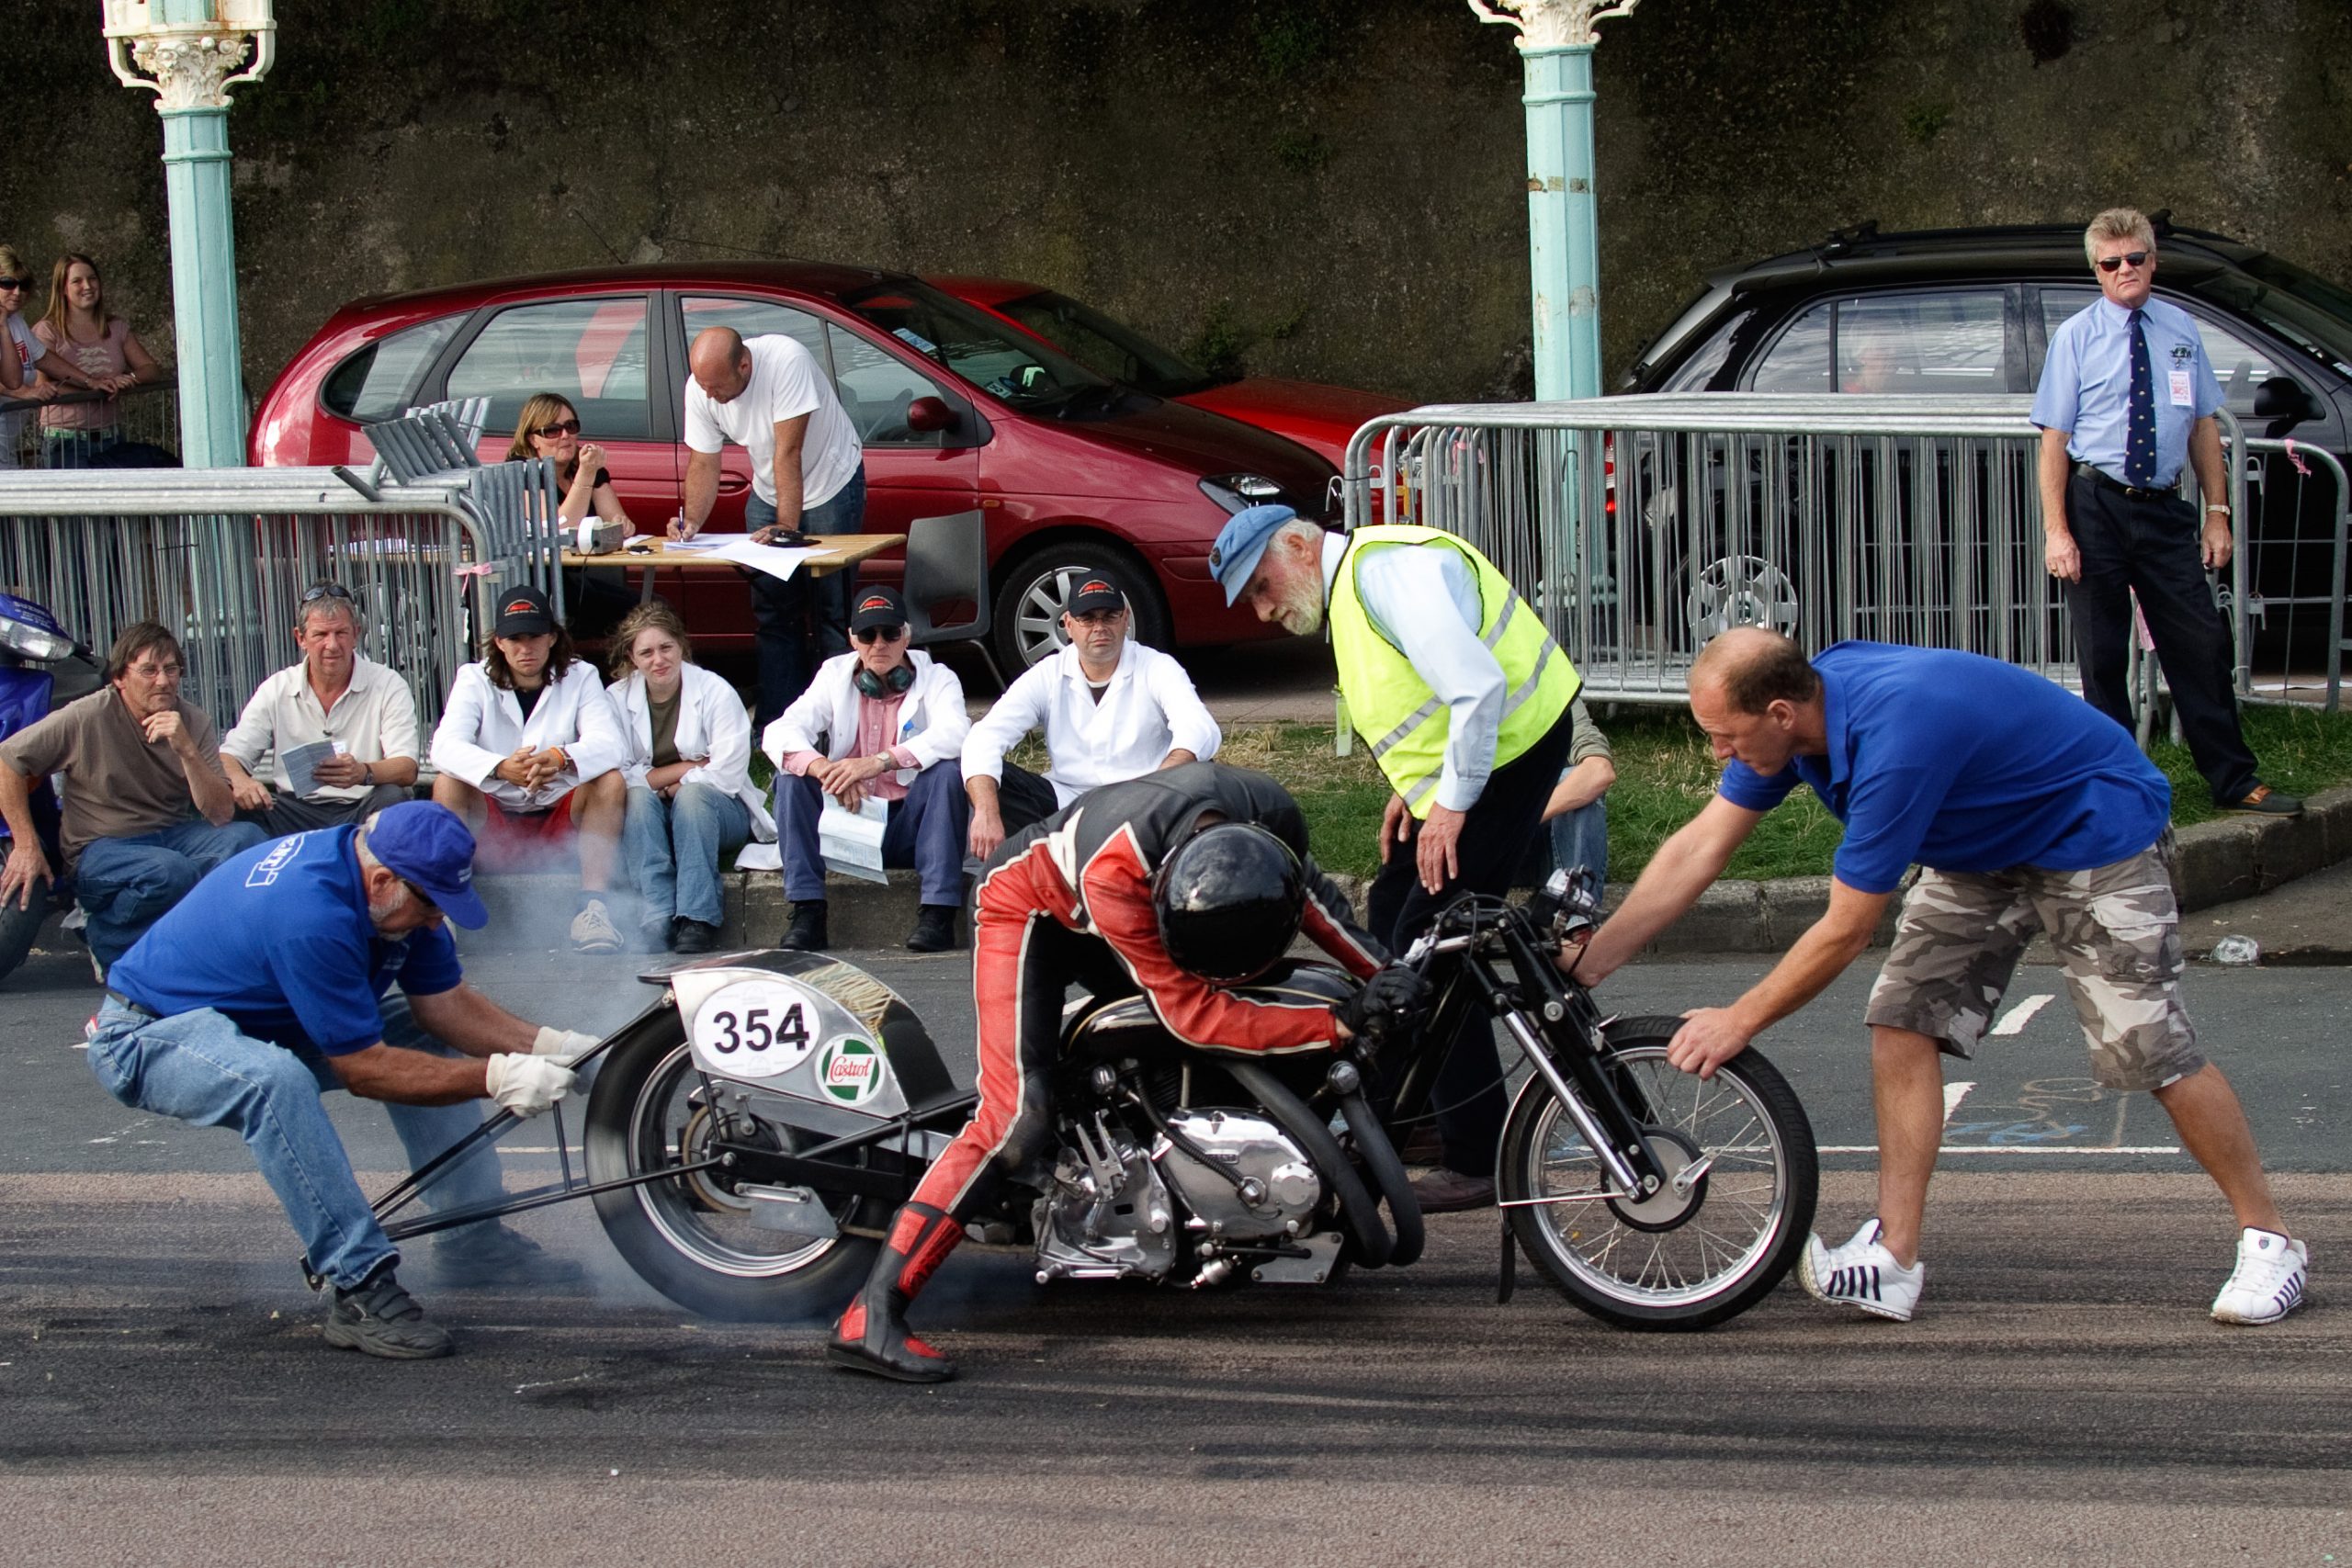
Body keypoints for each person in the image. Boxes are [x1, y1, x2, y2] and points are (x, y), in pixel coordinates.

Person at [1575, 628, 2306, 1326]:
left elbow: (1846, 928)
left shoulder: (1895, 744)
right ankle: (1894, 1257)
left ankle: (2271, 1241)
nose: (1718, 751)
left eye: (1723, 734)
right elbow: (1702, 845)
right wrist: (1595, 958)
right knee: (1902, 1019)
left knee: (2149, 1045)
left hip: (2090, 826)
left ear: (1780, 711)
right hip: (1979, 840)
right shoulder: (1795, 724)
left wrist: (1740, 1018)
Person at [829, 761, 1392, 1382]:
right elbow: (1194, 1017)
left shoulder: (1266, 811)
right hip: (1030, 908)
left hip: (1121, 895)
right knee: (1017, 1116)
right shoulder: (1116, 870)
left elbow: (1305, 893)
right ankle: (872, 1311)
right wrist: (1334, 1025)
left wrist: (1381, 972)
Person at [84, 801, 602, 1359]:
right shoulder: (311, 914)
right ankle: (358, 1286)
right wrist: (497, 1076)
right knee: (272, 1083)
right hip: (147, 1035)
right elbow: (364, 1069)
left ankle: (472, 1243)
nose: (436, 922)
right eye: (431, 908)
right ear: (382, 882)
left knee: (412, 1032)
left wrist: (559, 1048)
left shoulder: (401, 881)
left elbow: (444, 1007)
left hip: (255, 1022)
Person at [1216, 503, 1580, 1213]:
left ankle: (1472, 1151)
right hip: (1481, 762)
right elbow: (1425, 704)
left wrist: (1450, 802)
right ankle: (1437, 1116)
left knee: (1428, 940)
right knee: (1391, 911)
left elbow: (1478, 689)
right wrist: (1417, 791)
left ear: (1295, 544)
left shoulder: (1386, 575)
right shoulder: (1353, 586)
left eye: (1261, 586)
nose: (1262, 612)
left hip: (1509, 752)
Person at [2032, 206, 2300, 818]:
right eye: (2111, 263)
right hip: (2095, 501)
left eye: (2135, 258)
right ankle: (2119, 787)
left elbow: (2204, 424)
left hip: (2163, 506)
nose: (2125, 270)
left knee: (2200, 641)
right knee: (2102, 656)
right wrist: (2057, 531)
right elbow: (2053, 439)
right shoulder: (2075, 337)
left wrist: (2217, 511)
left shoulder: (2179, 328)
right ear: (2096, 271)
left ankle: (2233, 778)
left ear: (2153, 261)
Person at [0, 622, 265, 975]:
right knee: (169, 872)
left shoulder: (192, 720)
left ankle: (209, 950)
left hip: (172, 837)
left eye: (171, 669)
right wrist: (26, 843)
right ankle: (104, 936)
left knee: (250, 844)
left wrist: (187, 750)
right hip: (102, 847)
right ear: (120, 678)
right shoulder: (88, 714)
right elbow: (7, 761)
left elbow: (219, 814)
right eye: (149, 670)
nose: (163, 680)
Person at [668, 327, 867, 728]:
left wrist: (785, 529)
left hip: (830, 480)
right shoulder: (701, 387)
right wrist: (691, 522)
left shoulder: (786, 360)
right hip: (770, 487)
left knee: (832, 611)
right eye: (703, 385)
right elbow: (704, 462)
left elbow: (788, 451)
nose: (709, 395)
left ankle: (837, 725)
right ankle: (777, 723)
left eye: (717, 386)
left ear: (745, 365)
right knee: (774, 612)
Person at [763, 587, 971, 954]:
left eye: (890, 633)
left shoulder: (938, 677)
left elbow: (956, 733)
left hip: (912, 825)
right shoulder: (833, 674)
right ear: (852, 640)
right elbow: (779, 732)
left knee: (946, 773)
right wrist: (824, 769)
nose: (879, 644)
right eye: (867, 635)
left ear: (906, 636)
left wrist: (878, 761)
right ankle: (808, 912)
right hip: (851, 819)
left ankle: (938, 914)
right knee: (791, 780)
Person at [429, 584, 629, 953]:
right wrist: (500, 767)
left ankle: (593, 909)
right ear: (500, 643)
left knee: (610, 782)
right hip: (494, 826)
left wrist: (559, 758)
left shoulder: (581, 675)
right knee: (447, 783)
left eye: (534, 636)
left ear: (552, 637)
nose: (526, 648)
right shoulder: (473, 678)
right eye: (515, 638)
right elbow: (443, 747)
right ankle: (442, 912)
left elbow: (611, 745)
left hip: (559, 817)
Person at [961, 577, 1221, 860]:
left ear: (1125, 618)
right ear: (1068, 625)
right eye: (1087, 618)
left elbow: (1199, 727)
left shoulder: (1156, 666)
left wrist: (1161, 780)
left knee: (1201, 772)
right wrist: (987, 811)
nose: (1100, 628)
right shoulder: (1047, 673)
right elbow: (984, 737)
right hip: (1067, 803)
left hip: (1148, 802)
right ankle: (1044, 865)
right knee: (986, 779)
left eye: (1109, 616)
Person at [606, 602, 774, 954]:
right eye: (646, 652)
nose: (658, 660)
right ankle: (657, 913)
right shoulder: (616, 699)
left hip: (718, 814)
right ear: (632, 658)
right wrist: (683, 769)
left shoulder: (715, 691)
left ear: (681, 646)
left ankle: (698, 917)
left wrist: (680, 783)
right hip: (651, 813)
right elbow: (617, 774)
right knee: (635, 798)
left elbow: (727, 774)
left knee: (694, 796)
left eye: (666, 647)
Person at [220, 581, 419, 835]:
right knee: (241, 803)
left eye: (341, 633)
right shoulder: (277, 687)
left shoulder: (388, 684)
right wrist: (241, 781)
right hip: (294, 809)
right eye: (321, 635)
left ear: (356, 634)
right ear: (300, 638)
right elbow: (229, 756)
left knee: (393, 797)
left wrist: (363, 772)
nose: (332, 645)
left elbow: (407, 767)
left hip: (363, 805)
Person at [32, 252, 163, 468]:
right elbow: (42, 386)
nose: (87, 285)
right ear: (63, 289)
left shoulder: (116, 327)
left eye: (92, 278)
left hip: (110, 436)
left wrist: (127, 378)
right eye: (77, 281)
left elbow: (151, 368)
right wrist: (96, 389)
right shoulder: (48, 329)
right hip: (65, 440)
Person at [0, 243, 110, 470]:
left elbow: (44, 358)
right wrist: (28, 392)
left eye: (24, 285)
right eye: (8, 284)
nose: (18, 292)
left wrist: (90, 380)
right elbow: (12, 383)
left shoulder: (15, 321)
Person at [507, 392, 633, 530]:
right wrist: (586, 474)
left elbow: (615, 522)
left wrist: (622, 525)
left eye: (570, 426)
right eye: (552, 430)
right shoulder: (521, 469)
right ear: (533, 440)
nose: (565, 435)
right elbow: (559, 526)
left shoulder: (584, 463)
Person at [1542, 694, 1616, 899]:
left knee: (1577, 782)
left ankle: (1577, 916)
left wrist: (1522, 822)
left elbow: (1599, 771)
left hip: (1536, 839)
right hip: (1477, 844)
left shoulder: (1546, 681)